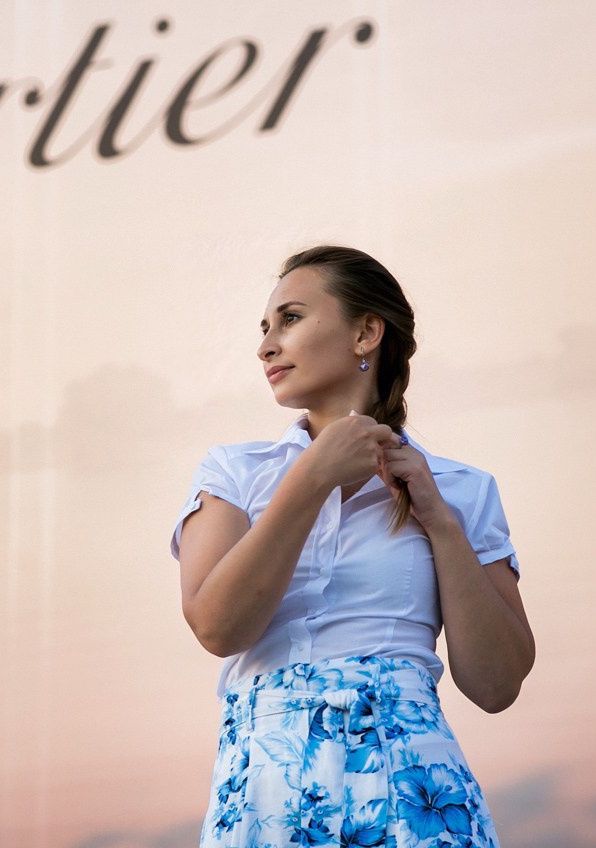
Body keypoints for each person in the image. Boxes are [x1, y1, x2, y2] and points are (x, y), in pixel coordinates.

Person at [172, 246, 534, 847]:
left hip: (415, 784)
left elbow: (496, 686)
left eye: (290, 319)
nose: (266, 346)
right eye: (264, 328)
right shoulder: (233, 473)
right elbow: (218, 628)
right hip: (269, 789)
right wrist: (313, 477)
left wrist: (438, 520)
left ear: (366, 332)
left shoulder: (461, 490)